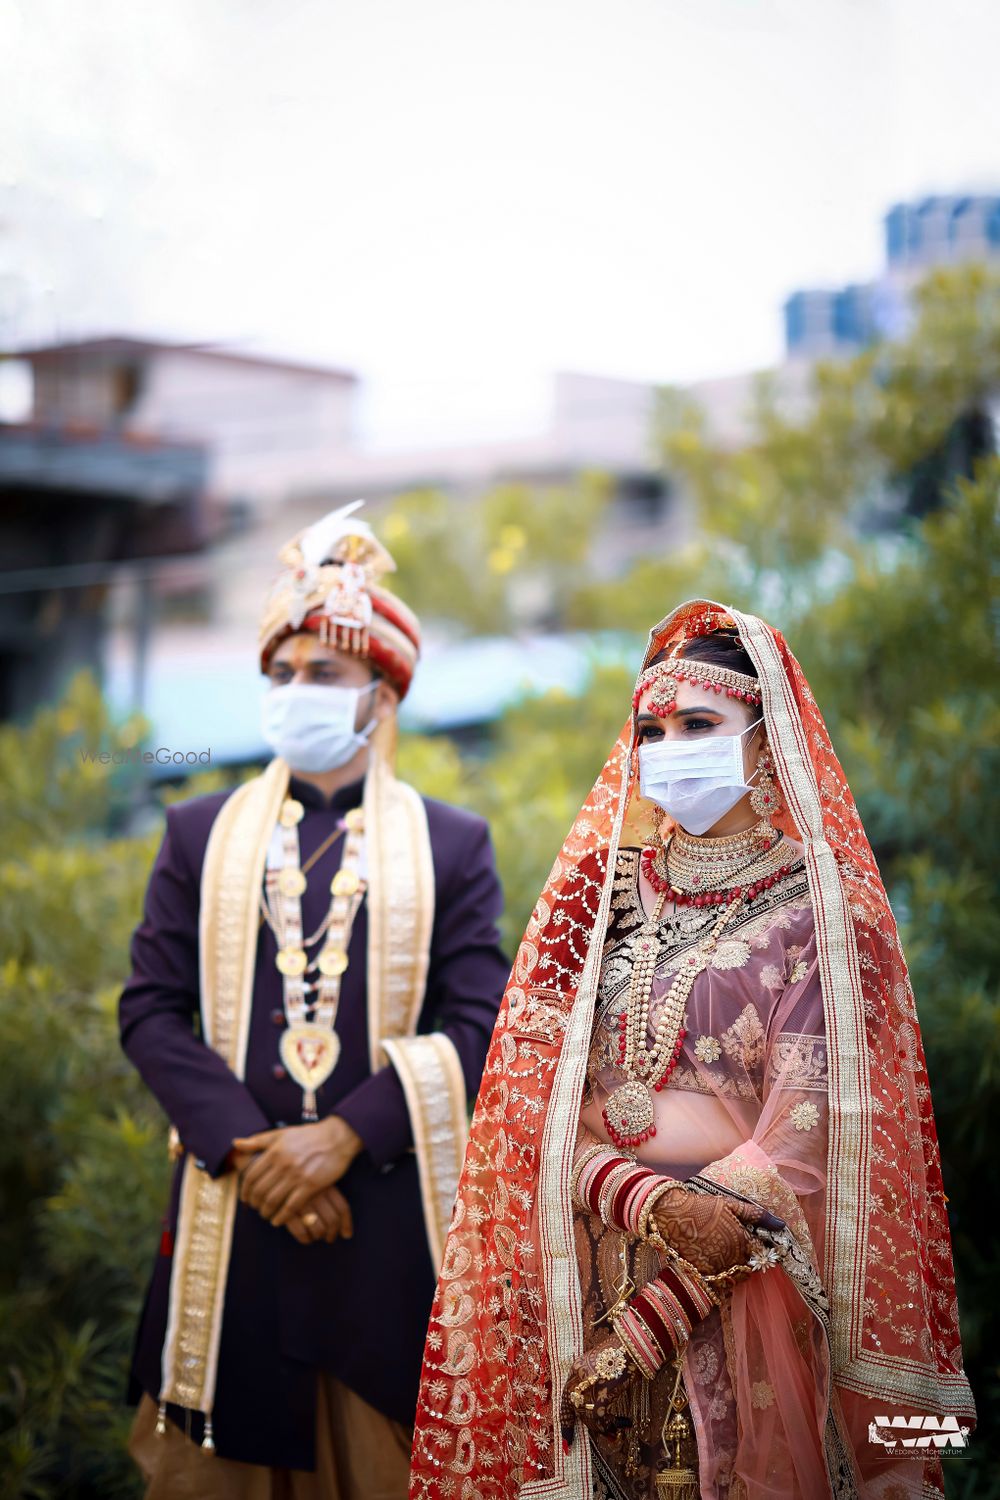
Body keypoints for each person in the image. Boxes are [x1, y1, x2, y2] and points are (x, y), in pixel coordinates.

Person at [409, 600, 975, 1500]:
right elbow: (527, 1111)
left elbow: (799, 1152)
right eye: (652, 729)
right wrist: (638, 1194)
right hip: (580, 1281)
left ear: (765, 742)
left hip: (740, 1312)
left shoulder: (823, 918)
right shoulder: (591, 902)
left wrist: (644, 1329)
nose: (670, 746)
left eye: (699, 725)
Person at [120, 501, 509, 1498]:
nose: (296, 691)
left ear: (382, 695)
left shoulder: (451, 842)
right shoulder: (199, 833)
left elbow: (478, 1023)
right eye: (281, 675)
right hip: (232, 1221)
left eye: (323, 674)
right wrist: (259, 1155)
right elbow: (150, 1011)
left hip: (377, 1228)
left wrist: (338, 1140)